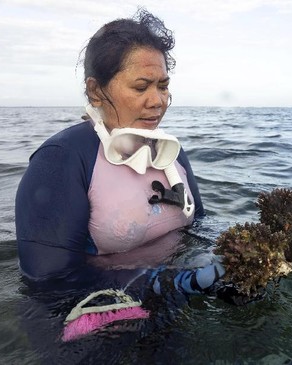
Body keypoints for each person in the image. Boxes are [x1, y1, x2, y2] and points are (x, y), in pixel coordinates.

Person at [15, 9, 207, 283]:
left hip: (177, 301)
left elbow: (200, 227)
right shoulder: (61, 159)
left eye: (163, 86)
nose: (157, 101)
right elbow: (48, 284)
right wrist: (161, 286)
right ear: (95, 92)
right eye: (141, 88)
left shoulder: (171, 154)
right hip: (113, 316)